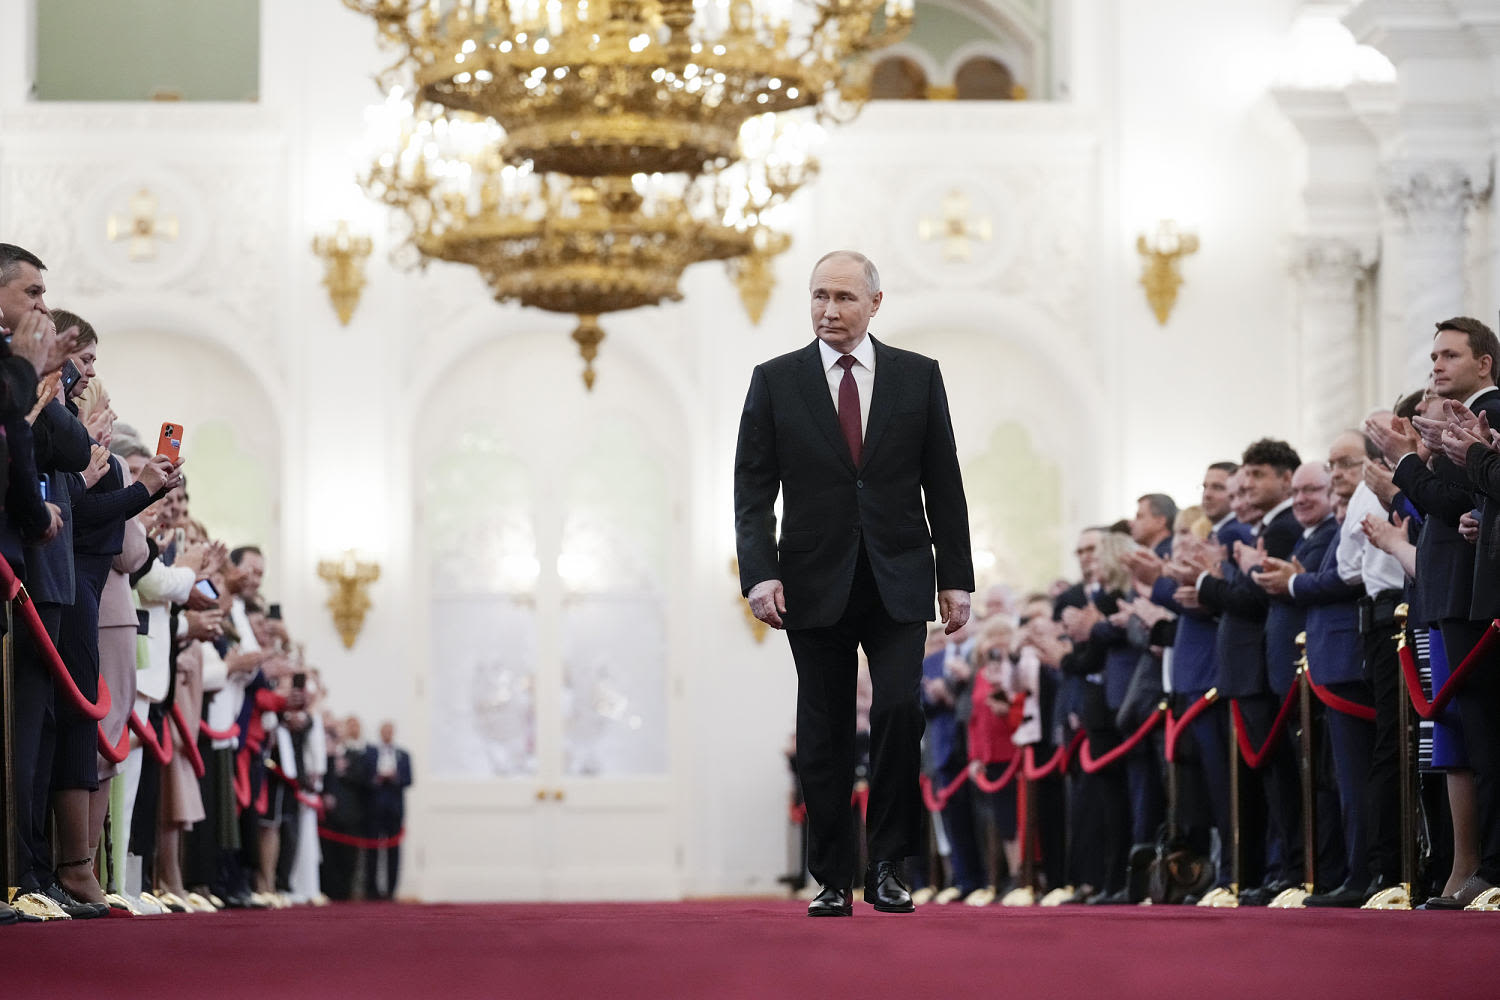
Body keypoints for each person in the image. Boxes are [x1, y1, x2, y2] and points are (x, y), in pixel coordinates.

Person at [734, 249, 974, 917]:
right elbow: (751, 490)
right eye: (818, 296)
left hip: (899, 576)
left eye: (842, 298)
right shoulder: (775, 380)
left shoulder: (916, 377)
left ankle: (891, 866)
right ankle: (834, 877)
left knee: (899, 709)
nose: (828, 310)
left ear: (874, 303)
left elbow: (944, 482)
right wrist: (759, 573)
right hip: (812, 580)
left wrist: (956, 578)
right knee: (825, 727)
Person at [364, 721, 413, 900]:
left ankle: (391, 891)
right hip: (374, 808)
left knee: (394, 851)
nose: (387, 733)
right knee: (373, 851)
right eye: (384, 730)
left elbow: (409, 780)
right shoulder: (370, 753)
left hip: (394, 809)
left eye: (390, 731)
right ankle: (372, 891)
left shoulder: (403, 755)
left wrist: (395, 777)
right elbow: (364, 778)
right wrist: (377, 778)